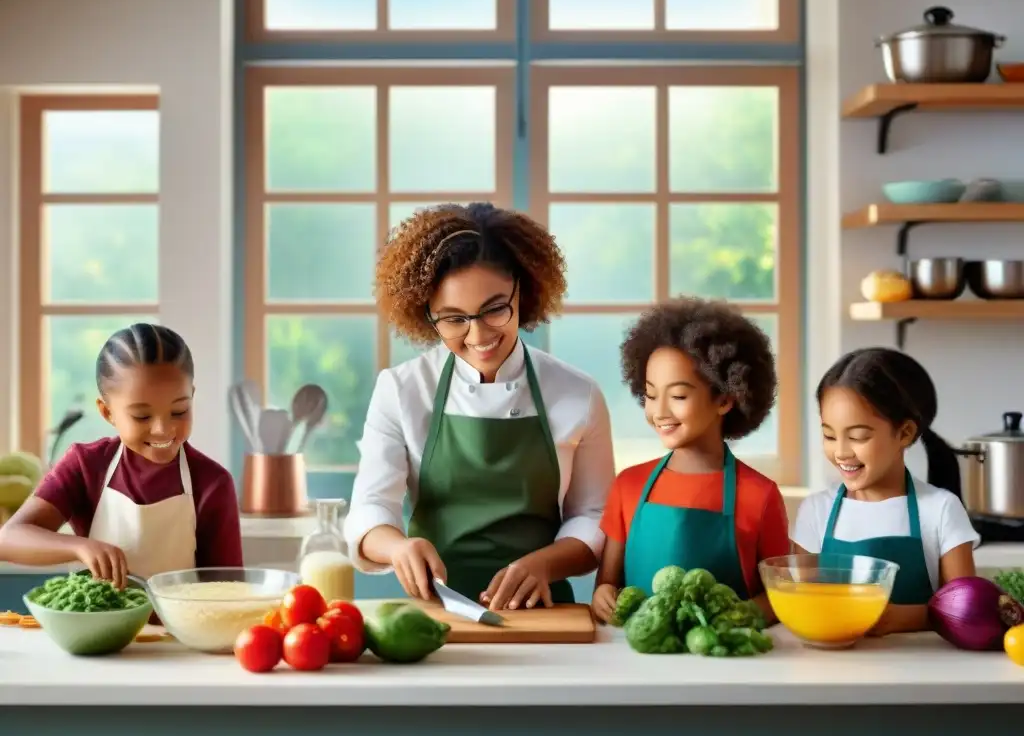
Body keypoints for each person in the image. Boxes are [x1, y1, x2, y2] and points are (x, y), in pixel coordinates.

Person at [345, 202, 616, 611]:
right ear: (427, 315)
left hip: (543, 613)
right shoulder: (401, 389)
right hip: (438, 614)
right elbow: (370, 507)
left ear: (522, 290)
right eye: (453, 318)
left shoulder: (577, 393)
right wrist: (399, 548)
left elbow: (595, 515)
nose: (478, 335)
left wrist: (544, 565)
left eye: (494, 309)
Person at [591, 297, 789, 624]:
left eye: (679, 396)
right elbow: (608, 583)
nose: (659, 412)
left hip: (724, 659)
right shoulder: (629, 485)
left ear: (725, 399)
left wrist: (732, 618)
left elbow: (781, 598)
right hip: (638, 662)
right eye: (651, 395)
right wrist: (602, 596)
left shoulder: (760, 495)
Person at [0, 324, 243, 587]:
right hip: (95, 627)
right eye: (142, 416)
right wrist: (81, 547)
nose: (162, 430)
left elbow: (226, 593)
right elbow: (9, 539)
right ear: (107, 412)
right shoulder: (85, 465)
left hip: (178, 629)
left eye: (179, 411)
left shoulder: (212, 482)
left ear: (191, 397)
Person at [791, 347, 979, 636]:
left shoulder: (940, 509)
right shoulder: (817, 510)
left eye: (858, 437)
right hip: (832, 664)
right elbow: (803, 602)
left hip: (925, 667)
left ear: (904, 433)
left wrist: (897, 618)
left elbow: (966, 611)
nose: (840, 451)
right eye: (829, 435)